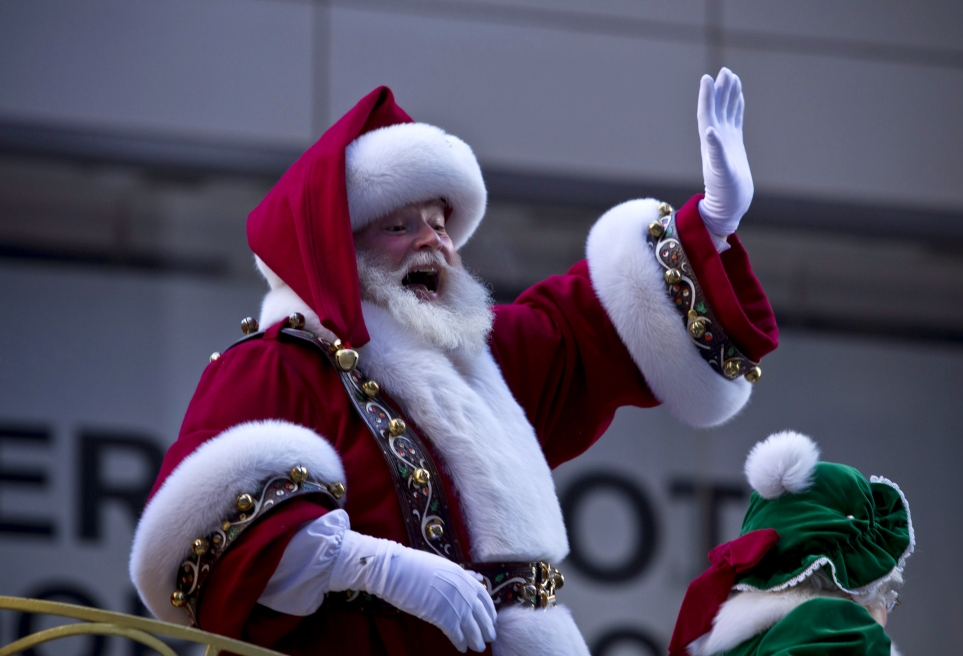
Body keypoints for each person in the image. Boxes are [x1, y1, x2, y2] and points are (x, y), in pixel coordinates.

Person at [129, 68, 778, 656]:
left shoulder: (483, 361)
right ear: (338, 250)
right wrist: (373, 567)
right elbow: (210, 537)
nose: (432, 241)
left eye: (440, 223)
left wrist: (710, 227)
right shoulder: (281, 367)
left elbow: (592, 325)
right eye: (400, 225)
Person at [669, 431, 912, 656]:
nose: (885, 613)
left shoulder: (734, 646)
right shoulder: (837, 629)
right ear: (854, 586)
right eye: (886, 599)